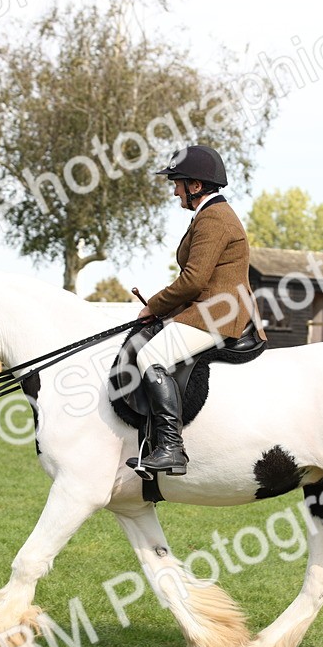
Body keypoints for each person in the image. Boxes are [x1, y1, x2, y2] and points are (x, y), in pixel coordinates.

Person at [131, 145, 264, 476]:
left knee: (149, 357)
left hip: (217, 313)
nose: (174, 189)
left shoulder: (215, 218)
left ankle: (171, 448)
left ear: (196, 185)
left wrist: (154, 305)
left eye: (177, 182)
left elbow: (192, 280)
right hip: (210, 308)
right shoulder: (208, 215)